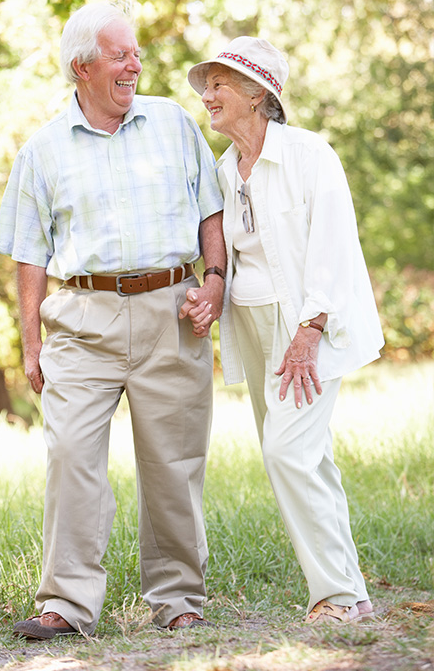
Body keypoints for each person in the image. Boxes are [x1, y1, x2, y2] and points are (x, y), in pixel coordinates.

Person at [0, 1, 226, 639]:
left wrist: (215, 280)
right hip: (81, 319)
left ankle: (178, 597)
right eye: (121, 55)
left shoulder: (175, 124)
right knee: (70, 454)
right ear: (82, 68)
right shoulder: (41, 151)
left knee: (173, 461)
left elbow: (210, 212)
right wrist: (31, 345)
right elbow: (28, 255)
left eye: (136, 53)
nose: (135, 64)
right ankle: (66, 605)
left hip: (170, 312)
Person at [187, 36, 384, 625]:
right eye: (208, 86)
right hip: (252, 326)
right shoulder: (224, 167)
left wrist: (310, 328)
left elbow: (332, 246)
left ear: (258, 95)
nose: (209, 96)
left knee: (287, 452)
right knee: (308, 457)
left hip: (308, 328)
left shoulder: (308, 154)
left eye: (220, 84)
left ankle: (336, 597)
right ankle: (354, 591)